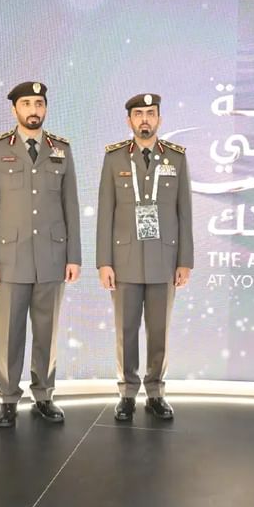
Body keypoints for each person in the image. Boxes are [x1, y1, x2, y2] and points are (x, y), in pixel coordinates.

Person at [0, 81, 81, 428]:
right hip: (11, 257)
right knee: (9, 332)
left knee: (46, 331)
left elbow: (71, 205)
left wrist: (74, 256)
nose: (33, 110)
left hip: (52, 255)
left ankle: (44, 395)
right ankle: (8, 398)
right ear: (14, 109)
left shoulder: (61, 149)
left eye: (39, 103)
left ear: (45, 108)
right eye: (26, 104)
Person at [97, 93, 193, 422]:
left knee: (159, 331)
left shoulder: (176, 158)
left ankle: (155, 393)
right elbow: (105, 214)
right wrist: (104, 262)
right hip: (123, 260)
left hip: (164, 259)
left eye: (151, 113)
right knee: (125, 331)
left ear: (159, 119)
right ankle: (127, 393)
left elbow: (184, 212)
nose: (145, 120)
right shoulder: (114, 158)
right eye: (138, 114)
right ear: (129, 120)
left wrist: (185, 261)